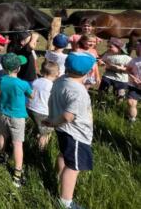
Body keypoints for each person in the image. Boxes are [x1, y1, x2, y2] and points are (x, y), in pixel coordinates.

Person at [44, 52, 96, 209]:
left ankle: (60, 178)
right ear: (88, 72)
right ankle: (65, 201)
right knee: (73, 167)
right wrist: (53, 122)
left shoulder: (60, 80)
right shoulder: (79, 92)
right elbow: (68, 116)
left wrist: (54, 122)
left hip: (64, 131)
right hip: (76, 133)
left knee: (64, 155)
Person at [0, 53, 33, 188]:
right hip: (17, 117)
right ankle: (17, 174)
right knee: (17, 144)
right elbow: (32, 95)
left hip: (2, 113)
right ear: (18, 68)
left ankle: (1, 155)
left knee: (2, 134)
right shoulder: (23, 84)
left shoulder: (1, 79)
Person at [27, 61, 59, 150]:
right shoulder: (52, 86)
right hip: (42, 112)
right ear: (56, 74)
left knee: (39, 125)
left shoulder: (36, 81)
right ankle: (41, 150)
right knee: (46, 133)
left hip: (30, 108)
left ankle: (38, 134)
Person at [98, 38, 132, 102]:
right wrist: (101, 63)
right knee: (102, 91)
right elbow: (101, 61)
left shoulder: (126, 58)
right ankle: (101, 103)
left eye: (110, 47)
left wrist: (121, 68)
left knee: (120, 94)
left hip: (121, 79)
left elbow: (130, 69)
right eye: (108, 46)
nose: (108, 48)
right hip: (108, 76)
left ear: (119, 48)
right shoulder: (107, 54)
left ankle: (118, 106)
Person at [126, 40, 141, 123]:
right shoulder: (134, 60)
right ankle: (132, 121)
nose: (138, 48)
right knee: (131, 102)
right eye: (138, 46)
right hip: (134, 85)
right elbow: (128, 70)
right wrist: (133, 78)